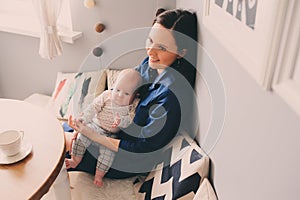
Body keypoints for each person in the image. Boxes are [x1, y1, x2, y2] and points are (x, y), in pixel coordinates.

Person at [65, 8, 198, 179]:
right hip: (112, 131)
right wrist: (87, 123)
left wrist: (93, 136)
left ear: (181, 52)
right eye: (150, 40)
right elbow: (120, 92)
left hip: (125, 157)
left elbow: (142, 149)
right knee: (66, 129)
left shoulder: (170, 98)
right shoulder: (149, 65)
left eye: (161, 47)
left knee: (63, 143)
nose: (150, 51)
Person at [66, 68, 142, 187]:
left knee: (108, 154)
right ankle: (75, 160)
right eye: (117, 90)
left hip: (111, 136)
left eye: (126, 93)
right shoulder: (107, 95)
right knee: (81, 138)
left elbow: (130, 120)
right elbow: (93, 108)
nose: (120, 96)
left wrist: (121, 122)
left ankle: (99, 175)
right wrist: (83, 119)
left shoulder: (134, 105)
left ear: (135, 94)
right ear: (113, 86)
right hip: (95, 126)